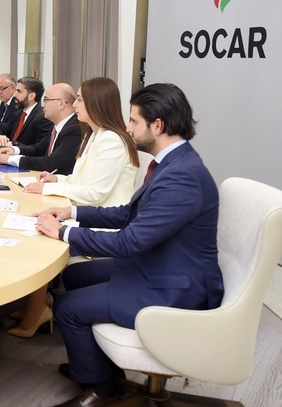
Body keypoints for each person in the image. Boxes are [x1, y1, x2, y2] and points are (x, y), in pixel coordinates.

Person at [36, 83, 222, 407]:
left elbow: (129, 242)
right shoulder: (172, 164)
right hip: (160, 264)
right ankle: (100, 368)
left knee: (67, 308)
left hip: (173, 287)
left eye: (134, 121)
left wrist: (63, 233)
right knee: (74, 276)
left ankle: (102, 389)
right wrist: (71, 212)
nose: (129, 128)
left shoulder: (182, 177)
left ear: (157, 125)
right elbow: (127, 214)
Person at [3, 77, 139, 339]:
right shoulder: (95, 135)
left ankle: (37, 310)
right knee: (38, 225)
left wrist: (47, 190)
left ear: (97, 103)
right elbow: (80, 181)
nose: (74, 105)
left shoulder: (112, 140)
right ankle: (38, 303)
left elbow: (96, 193)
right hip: (86, 212)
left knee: (40, 237)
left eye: (79, 100)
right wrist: (56, 180)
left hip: (100, 223)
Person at [0, 83, 81, 176]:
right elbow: (38, 149)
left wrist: (9, 159)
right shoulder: (57, 125)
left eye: (46, 100)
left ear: (61, 103)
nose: (42, 105)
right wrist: (13, 150)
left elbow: (52, 163)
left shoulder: (75, 129)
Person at [0, 76, 52, 147]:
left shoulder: (43, 117)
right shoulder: (18, 113)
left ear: (31, 96)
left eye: (19, 91)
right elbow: (2, 130)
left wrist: (13, 145)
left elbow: (39, 148)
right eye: (15, 91)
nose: (14, 95)